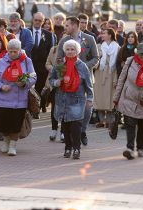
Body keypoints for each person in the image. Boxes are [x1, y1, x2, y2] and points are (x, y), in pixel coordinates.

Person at [113, 42, 143, 160]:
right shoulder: (130, 61)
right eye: (140, 53)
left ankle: (141, 149)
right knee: (130, 124)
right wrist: (116, 97)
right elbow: (121, 79)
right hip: (129, 98)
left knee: (142, 127)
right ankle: (130, 149)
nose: (142, 56)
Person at [0, 39, 36, 156]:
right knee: (4, 123)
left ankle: (12, 145)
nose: (12, 54)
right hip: (2, 99)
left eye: (15, 51)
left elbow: (33, 77)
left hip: (19, 99)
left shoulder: (26, 61)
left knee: (16, 123)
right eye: (10, 51)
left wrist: (25, 83)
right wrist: (1, 86)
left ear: (20, 50)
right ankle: (5, 141)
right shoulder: (1, 61)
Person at [56, 16, 99, 146]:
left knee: (86, 109)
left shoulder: (89, 39)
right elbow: (58, 59)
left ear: (75, 25)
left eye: (67, 25)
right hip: (68, 81)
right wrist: (63, 71)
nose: (65, 27)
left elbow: (96, 58)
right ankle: (69, 135)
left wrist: (83, 66)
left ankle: (82, 131)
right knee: (68, 108)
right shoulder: (64, 40)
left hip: (85, 80)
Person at [49, 39, 93, 159]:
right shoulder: (59, 64)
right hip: (63, 100)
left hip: (77, 100)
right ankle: (68, 148)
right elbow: (51, 80)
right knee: (66, 126)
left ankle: (77, 149)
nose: (69, 51)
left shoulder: (82, 66)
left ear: (77, 51)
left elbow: (89, 85)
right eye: (67, 49)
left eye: (72, 49)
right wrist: (56, 82)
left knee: (76, 126)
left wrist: (90, 98)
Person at [94, 28, 120, 128]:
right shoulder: (99, 46)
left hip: (112, 73)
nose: (102, 35)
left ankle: (110, 121)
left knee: (110, 97)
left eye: (104, 33)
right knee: (99, 97)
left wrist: (116, 78)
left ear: (110, 35)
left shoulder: (117, 47)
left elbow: (118, 63)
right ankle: (101, 120)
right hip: (100, 73)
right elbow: (95, 59)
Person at [30, 12, 54, 117]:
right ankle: (29, 108)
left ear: (43, 22)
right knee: (29, 88)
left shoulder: (49, 35)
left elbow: (51, 51)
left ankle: (37, 109)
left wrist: (49, 66)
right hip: (29, 65)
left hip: (42, 67)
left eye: (40, 21)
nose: (37, 22)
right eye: (36, 20)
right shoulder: (26, 32)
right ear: (33, 20)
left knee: (39, 88)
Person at [45, 45, 64, 142]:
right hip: (54, 83)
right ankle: (54, 129)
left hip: (67, 84)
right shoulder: (54, 49)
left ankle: (63, 131)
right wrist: (54, 69)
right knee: (54, 107)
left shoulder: (71, 50)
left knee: (65, 108)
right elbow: (47, 63)